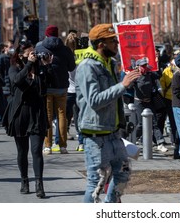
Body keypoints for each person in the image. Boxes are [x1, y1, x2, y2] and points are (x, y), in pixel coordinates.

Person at [76, 23, 140, 203]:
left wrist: (129, 81)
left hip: (113, 134)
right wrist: (122, 85)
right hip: (96, 136)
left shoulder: (110, 63)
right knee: (96, 183)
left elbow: (117, 94)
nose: (117, 44)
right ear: (101, 44)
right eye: (113, 41)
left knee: (123, 173)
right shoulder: (88, 67)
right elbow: (95, 101)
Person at [2, 39, 53, 198]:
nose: (33, 55)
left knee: (37, 150)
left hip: (37, 114)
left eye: (34, 52)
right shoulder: (14, 68)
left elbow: (46, 87)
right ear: (21, 55)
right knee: (22, 151)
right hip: (20, 115)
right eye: (30, 53)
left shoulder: (38, 69)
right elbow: (17, 81)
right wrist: (28, 65)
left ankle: (39, 184)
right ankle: (24, 181)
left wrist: (47, 67)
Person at [36, 25, 76, 155]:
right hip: (62, 86)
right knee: (62, 116)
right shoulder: (65, 49)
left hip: (46, 86)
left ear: (47, 35)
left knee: (47, 116)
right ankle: (63, 146)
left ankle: (47, 146)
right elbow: (71, 67)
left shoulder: (39, 47)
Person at [132, 58, 169, 152]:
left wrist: (155, 66)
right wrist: (132, 76)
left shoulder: (150, 75)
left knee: (154, 122)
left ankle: (160, 143)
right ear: (138, 67)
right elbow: (127, 86)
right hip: (139, 102)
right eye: (142, 66)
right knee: (141, 123)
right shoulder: (135, 76)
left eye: (145, 65)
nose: (144, 67)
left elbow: (158, 78)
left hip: (149, 102)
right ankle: (132, 140)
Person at [64, 32, 83, 151]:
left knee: (63, 117)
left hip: (68, 89)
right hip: (80, 89)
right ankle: (81, 143)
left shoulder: (65, 55)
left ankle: (61, 143)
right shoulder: (83, 56)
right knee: (80, 118)